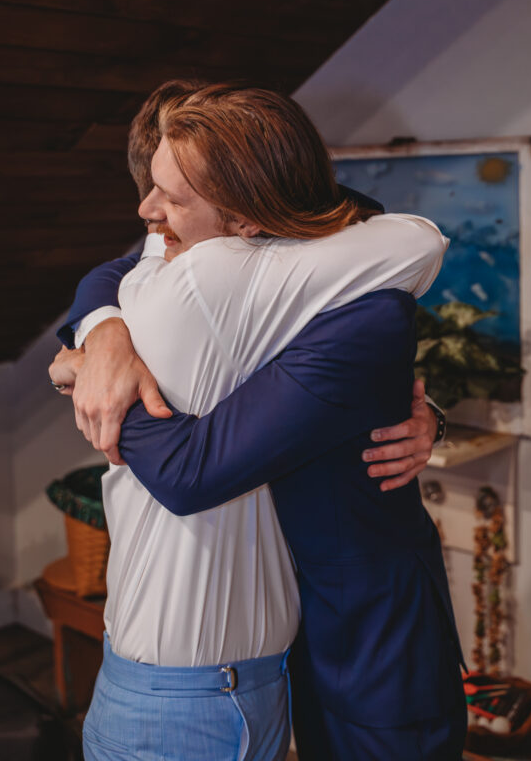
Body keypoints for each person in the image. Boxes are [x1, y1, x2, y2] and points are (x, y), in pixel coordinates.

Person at [52, 85, 466, 760]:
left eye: (171, 203)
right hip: (260, 649)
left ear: (248, 214)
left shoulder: (357, 309)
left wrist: (82, 376)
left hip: (364, 645)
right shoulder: (208, 273)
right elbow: (117, 272)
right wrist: (101, 334)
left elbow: (191, 471)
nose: (149, 219)